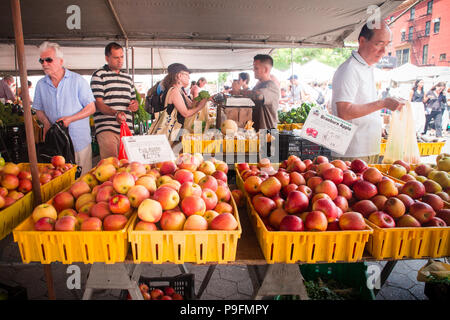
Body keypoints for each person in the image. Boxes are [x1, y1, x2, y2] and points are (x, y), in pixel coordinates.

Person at [330, 22, 404, 163]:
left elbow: (362, 104)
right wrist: (383, 103)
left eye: (387, 44)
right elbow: (344, 111)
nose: (384, 51)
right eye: (379, 44)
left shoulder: (366, 67)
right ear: (362, 41)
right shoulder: (350, 69)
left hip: (368, 148)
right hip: (354, 151)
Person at [33, 41, 95, 174]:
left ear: (60, 61)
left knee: (82, 181)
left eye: (48, 60)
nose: (44, 64)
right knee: (59, 181)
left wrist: (70, 119)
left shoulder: (77, 81)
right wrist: (46, 123)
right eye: (41, 60)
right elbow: (38, 109)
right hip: (55, 143)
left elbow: (91, 108)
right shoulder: (41, 85)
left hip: (79, 141)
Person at [90, 42, 139, 160]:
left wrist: (134, 105)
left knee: (128, 164)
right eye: (116, 57)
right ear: (107, 58)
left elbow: (134, 102)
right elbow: (98, 104)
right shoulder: (99, 75)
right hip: (107, 128)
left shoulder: (128, 78)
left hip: (127, 128)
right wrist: (115, 113)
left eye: (122, 57)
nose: (120, 60)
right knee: (111, 164)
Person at [150, 63, 210, 141]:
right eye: (187, 75)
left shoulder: (180, 90)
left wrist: (201, 99)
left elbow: (191, 105)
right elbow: (186, 113)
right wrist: (200, 107)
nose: (189, 77)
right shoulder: (174, 91)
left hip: (177, 132)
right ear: (179, 76)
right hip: (172, 134)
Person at [237, 54, 280, 131]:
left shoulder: (271, 86)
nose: (253, 70)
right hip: (258, 131)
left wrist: (238, 91)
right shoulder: (258, 86)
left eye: (256, 68)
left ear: (266, 69)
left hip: (269, 132)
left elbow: (259, 95)